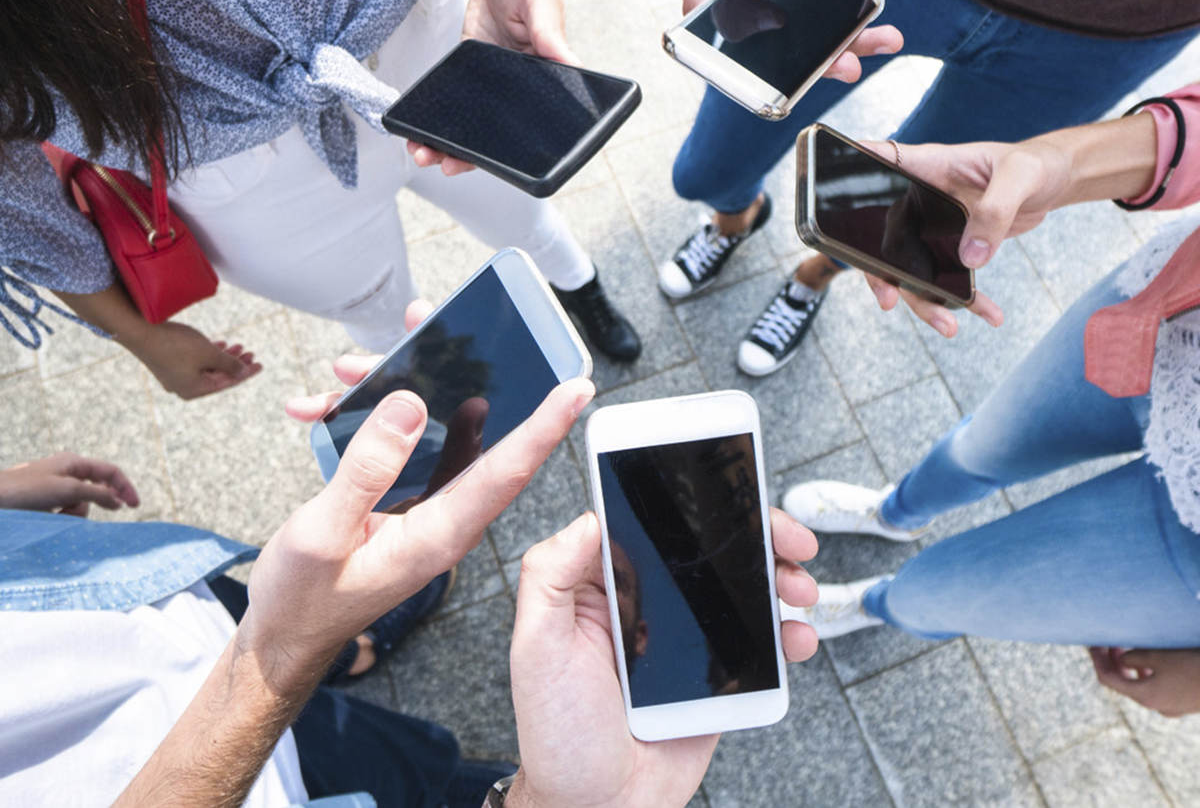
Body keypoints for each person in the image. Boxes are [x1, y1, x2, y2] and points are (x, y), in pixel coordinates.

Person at [0, 299, 821, 806]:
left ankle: (347, 646)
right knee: (415, 779)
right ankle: (332, 649)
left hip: (128, 602)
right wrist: (279, 652)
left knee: (294, 663)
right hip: (259, 773)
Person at [0, 0, 639, 404]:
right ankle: (442, 396)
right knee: (378, 308)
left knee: (520, 210)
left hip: (434, 37)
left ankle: (578, 286)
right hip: (228, 164)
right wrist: (137, 334)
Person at [781, 87, 1200, 699]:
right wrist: (1060, 163)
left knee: (940, 593)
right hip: (1172, 316)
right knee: (985, 444)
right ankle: (895, 513)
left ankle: (881, 602)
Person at [660, 0, 1199, 376]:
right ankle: (737, 217)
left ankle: (815, 276)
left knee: (890, 221)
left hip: (1111, 29)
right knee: (706, 170)